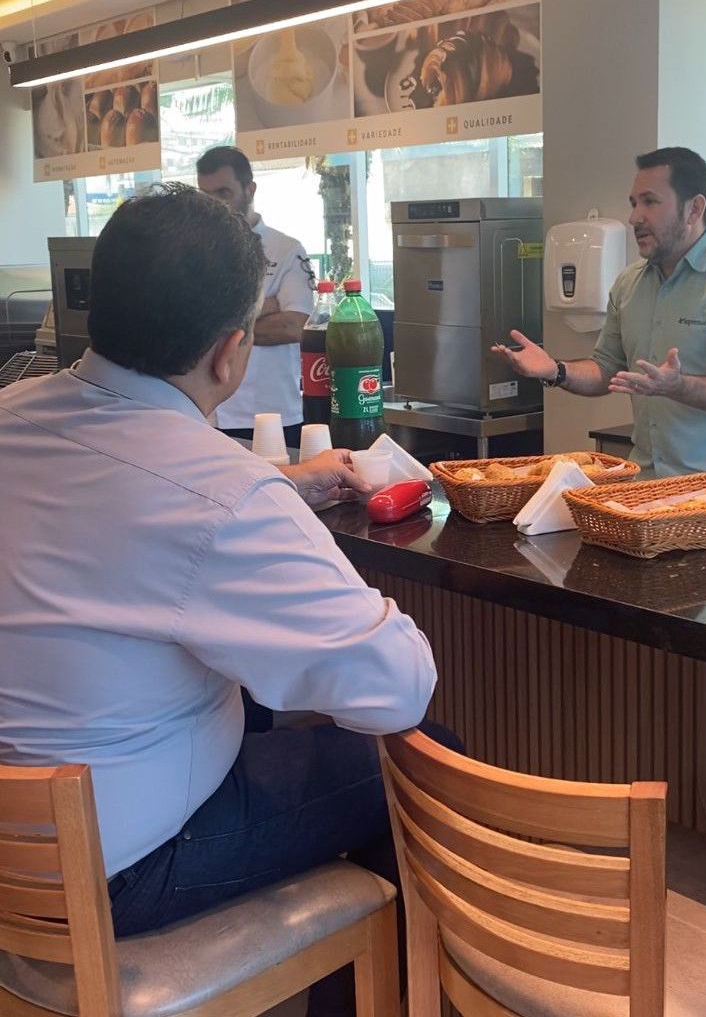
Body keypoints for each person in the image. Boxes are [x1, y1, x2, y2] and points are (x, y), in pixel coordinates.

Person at [0, 184, 438, 1017]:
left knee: (259, 713)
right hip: (116, 866)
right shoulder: (218, 491)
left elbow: (125, 519)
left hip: (13, 844)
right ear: (232, 352)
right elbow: (395, 687)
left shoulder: (11, 415)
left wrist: (272, 489)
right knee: (415, 756)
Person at [494, 147, 706, 477]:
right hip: (645, 486)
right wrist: (554, 370)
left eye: (650, 201)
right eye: (634, 203)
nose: (634, 217)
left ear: (694, 209)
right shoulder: (630, 284)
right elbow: (606, 370)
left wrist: (677, 386)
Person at [196, 144, 315, 447]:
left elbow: (295, 326)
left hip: (272, 414)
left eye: (224, 193)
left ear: (250, 189)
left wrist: (218, 325)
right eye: (206, 194)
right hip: (206, 412)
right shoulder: (193, 252)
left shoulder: (286, 249)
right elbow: (185, 322)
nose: (215, 204)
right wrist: (263, 306)